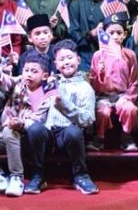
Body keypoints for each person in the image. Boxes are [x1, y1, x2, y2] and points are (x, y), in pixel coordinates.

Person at [0, 50, 53, 199]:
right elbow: (3, 81)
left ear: (44, 76)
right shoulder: (20, 82)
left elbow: (39, 120)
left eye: (34, 71)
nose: (28, 74)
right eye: (26, 70)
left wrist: (21, 122)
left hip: (27, 137)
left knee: (9, 130)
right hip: (4, 132)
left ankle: (17, 178)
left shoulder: (48, 92)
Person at [24, 40, 99, 195]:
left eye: (69, 58)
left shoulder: (85, 88)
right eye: (62, 59)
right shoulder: (50, 83)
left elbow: (88, 119)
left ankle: (81, 175)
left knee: (73, 132)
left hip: (67, 135)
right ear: (56, 64)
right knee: (34, 129)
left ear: (78, 60)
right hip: (48, 132)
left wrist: (64, 105)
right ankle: (38, 175)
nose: (66, 62)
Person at [88, 12, 138, 152]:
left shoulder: (130, 55)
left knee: (129, 109)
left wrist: (127, 98)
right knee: (103, 112)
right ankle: (99, 138)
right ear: (104, 35)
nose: (115, 36)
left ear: (125, 35)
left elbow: (134, 81)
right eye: (111, 33)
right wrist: (100, 72)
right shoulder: (98, 56)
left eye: (119, 33)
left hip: (123, 95)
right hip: (103, 96)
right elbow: (94, 85)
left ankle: (126, 137)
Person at [69, 0, 108, 71]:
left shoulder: (110, 4)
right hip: (83, 58)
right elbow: (73, 33)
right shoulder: (76, 5)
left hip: (107, 56)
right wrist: (91, 34)